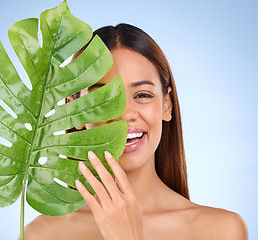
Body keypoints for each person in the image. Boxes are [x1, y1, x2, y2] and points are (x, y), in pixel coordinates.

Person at [22, 23, 248, 240]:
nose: (124, 114)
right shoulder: (40, 234)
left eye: (142, 95)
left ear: (166, 105)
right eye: (103, 98)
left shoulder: (222, 231)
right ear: (75, 111)